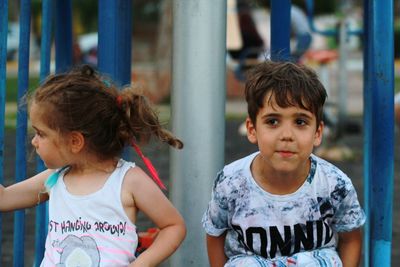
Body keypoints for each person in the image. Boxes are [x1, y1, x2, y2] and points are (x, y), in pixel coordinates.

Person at [0, 65, 186, 266]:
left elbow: (173, 226)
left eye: (41, 133)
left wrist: (142, 263)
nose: (34, 141)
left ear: (75, 142)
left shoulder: (128, 181)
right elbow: (4, 199)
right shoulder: (55, 178)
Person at [202, 61, 365, 267]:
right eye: (272, 121)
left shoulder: (334, 184)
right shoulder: (231, 182)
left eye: (300, 122)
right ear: (252, 129)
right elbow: (215, 235)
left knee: (321, 261)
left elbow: (351, 239)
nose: (286, 135)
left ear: (317, 133)